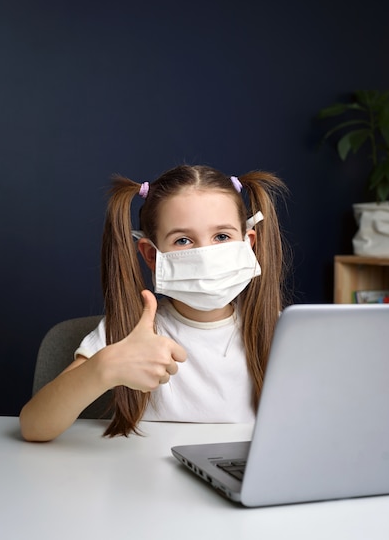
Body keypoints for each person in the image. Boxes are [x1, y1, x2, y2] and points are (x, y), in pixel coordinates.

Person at [20, 164, 289, 441]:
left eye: (222, 236)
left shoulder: (285, 331)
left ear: (248, 243)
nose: (206, 254)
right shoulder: (131, 332)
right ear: (151, 255)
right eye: (183, 240)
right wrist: (104, 367)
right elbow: (34, 426)